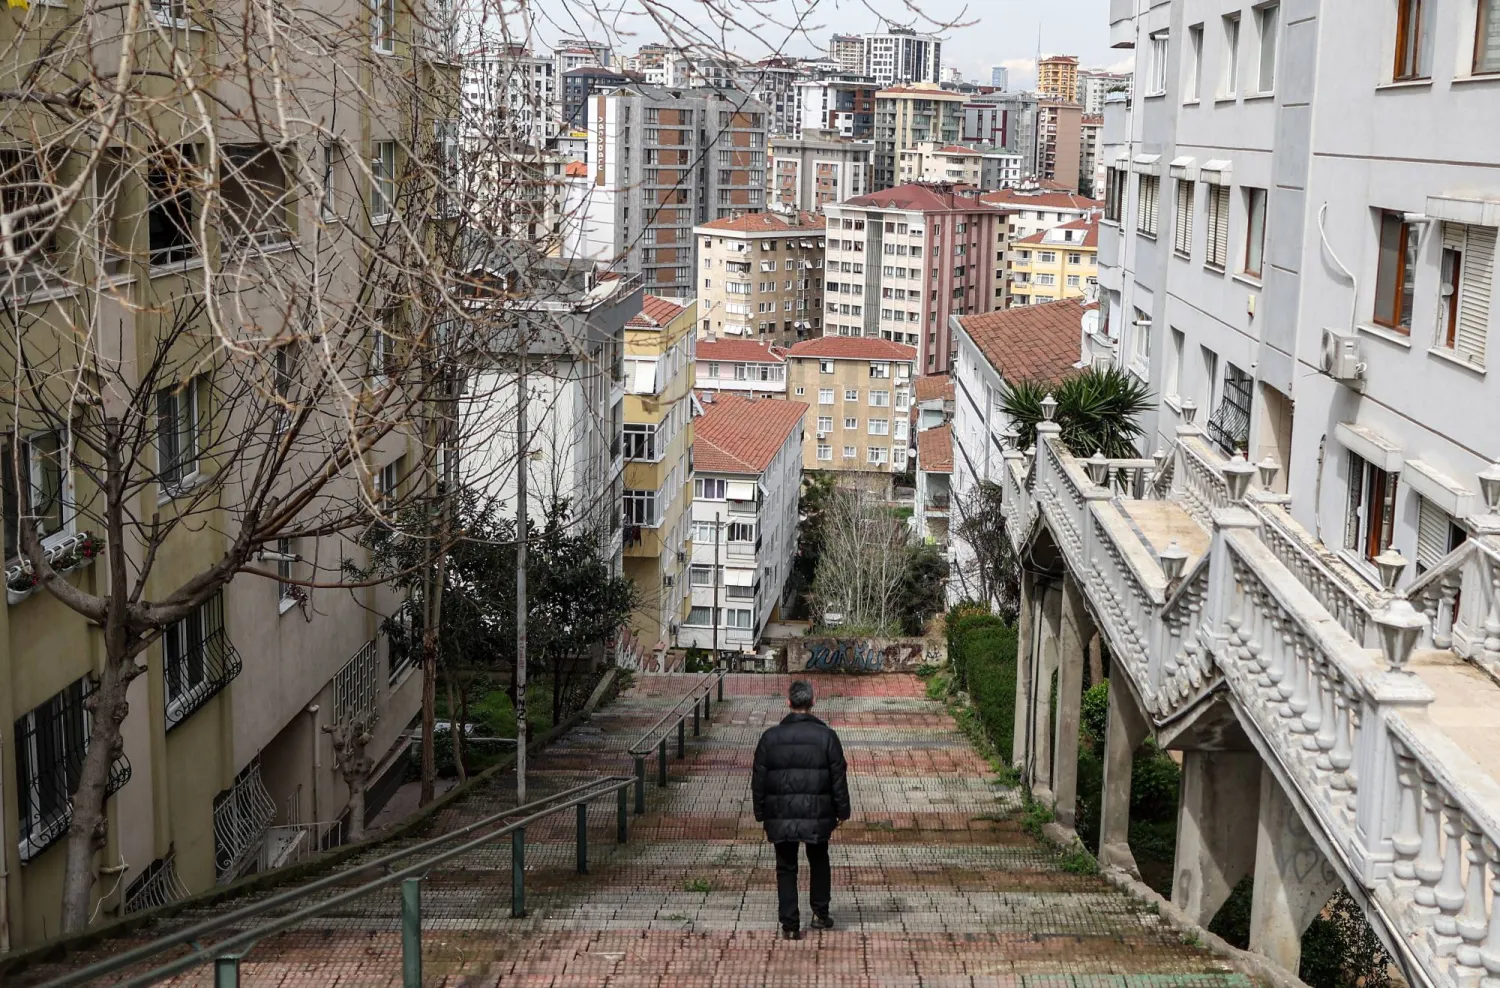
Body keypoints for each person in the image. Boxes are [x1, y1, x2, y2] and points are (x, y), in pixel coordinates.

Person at [751, 679, 851, 940]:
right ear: (812, 703)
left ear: (788, 703)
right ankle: (820, 913)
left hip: (780, 814)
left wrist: (760, 811)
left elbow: (758, 778)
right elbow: (838, 777)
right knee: (819, 860)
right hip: (817, 813)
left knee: (785, 867)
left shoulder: (769, 738)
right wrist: (843, 810)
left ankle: (790, 925)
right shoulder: (827, 736)